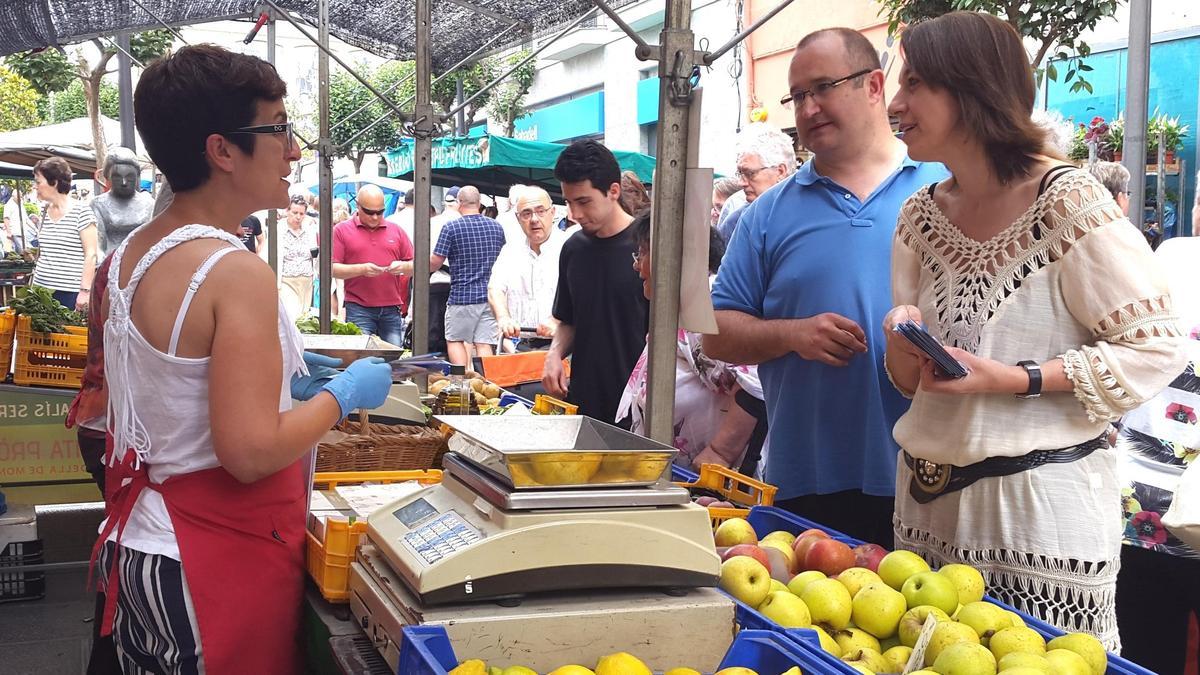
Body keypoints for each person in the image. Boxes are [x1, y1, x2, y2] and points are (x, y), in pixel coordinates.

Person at [883, 11, 1185, 648]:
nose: (896, 103)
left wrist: (1017, 379)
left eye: (914, 84)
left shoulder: (1065, 203)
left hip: (1038, 516)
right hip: (927, 506)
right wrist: (900, 337)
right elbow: (914, 383)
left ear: (970, 89)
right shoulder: (919, 216)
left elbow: (1156, 344)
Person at [92, 44, 392, 673]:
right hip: (210, 557)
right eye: (279, 128)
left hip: (143, 543)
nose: (294, 150)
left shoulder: (131, 255)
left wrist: (286, 374)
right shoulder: (232, 271)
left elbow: (176, 379)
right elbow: (250, 453)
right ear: (221, 150)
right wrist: (344, 396)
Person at [704, 27, 948, 546]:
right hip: (808, 480)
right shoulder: (765, 214)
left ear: (875, 86)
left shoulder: (946, 187)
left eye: (823, 87)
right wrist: (793, 334)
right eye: (798, 96)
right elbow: (717, 333)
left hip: (935, 476)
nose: (808, 108)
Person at [1112, 232, 1200, 673]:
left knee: (1143, 658)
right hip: (1142, 514)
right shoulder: (1166, 261)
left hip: (1138, 510)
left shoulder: (1162, 261)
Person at [617, 214, 763, 470]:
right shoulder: (684, 305)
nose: (636, 265)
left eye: (642, 253)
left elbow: (755, 383)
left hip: (713, 484)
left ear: (671, 255)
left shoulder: (700, 305)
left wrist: (720, 453)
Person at [543, 140, 649, 423]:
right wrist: (554, 355)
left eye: (583, 202)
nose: (575, 214)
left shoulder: (649, 248)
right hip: (583, 407)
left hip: (639, 412)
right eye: (568, 202)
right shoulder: (573, 249)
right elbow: (569, 320)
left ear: (613, 191)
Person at [430, 185, 505, 365]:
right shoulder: (497, 227)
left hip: (462, 296)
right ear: (479, 203)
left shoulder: (451, 228)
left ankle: (461, 382)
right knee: (484, 343)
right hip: (489, 295)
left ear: (459, 203)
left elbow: (435, 262)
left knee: (455, 340)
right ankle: (488, 384)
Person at [332, 184, 414, 346]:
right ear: (358, 207)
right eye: (370, 212)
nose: (375, 217)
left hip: (391, 308)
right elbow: (332, 269)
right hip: (359, 308)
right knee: (361, 356)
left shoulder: (396, 230)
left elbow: (416, 264)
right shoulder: (341, 230)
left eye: (380, 212)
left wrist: (403, 267)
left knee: (393, 360)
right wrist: (362, 269)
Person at [487, 186, 565, 351]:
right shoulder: (510, 251)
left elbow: (584, 295)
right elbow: (495, 288)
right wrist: (503, 317)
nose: (534, 219)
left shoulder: (568, 248)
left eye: (540, 211)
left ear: (553, 212)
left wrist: (557, 320)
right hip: (520, 346)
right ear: (518, 218)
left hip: (562, 345)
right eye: (526, 213)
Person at [31, 156, 99, 311]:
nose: (35, 186)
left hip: (70, 293)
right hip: (40, 290)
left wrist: (85, 291)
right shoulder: (43, 212)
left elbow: (91, 254)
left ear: (54, 182)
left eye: (38, 182)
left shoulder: (82, 212)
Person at [717, 123, 797, 244]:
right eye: (740, 173)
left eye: (750, 173)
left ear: (780, 171)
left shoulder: (814, 213)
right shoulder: (735, 223)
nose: (741, 183)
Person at [91, 147, 155, 255]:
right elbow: (98, 244)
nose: (124, 182)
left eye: (130, 177)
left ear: (137, 176)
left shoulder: (149, 204)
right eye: (117, 177)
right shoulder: (98, 205)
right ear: (108, 177)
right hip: (109, 262)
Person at [279, 194, 318, 318]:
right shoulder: (278, 230)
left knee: (304, 316)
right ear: (287, 211)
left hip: (307, 280)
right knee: (292, 315)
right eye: (295, 212)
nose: (298, 217)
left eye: (302, 214)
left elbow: (315, 254)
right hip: (287, 280)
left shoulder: (310, 230)